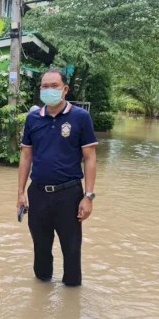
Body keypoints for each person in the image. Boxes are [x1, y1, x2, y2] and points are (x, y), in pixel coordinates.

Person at [17, 68, 98, 286]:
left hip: (69, 194)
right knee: (40, 248)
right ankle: (41, 294)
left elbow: (89, 158)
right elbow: (26, 157)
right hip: (39, 192)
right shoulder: (33, 118)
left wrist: (88, 196)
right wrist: (21, 193)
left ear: (65, 89)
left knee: (71, 249)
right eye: (45, 86)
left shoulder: (80, 117)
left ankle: (71, 296)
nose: (49, 90)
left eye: (54, 86)